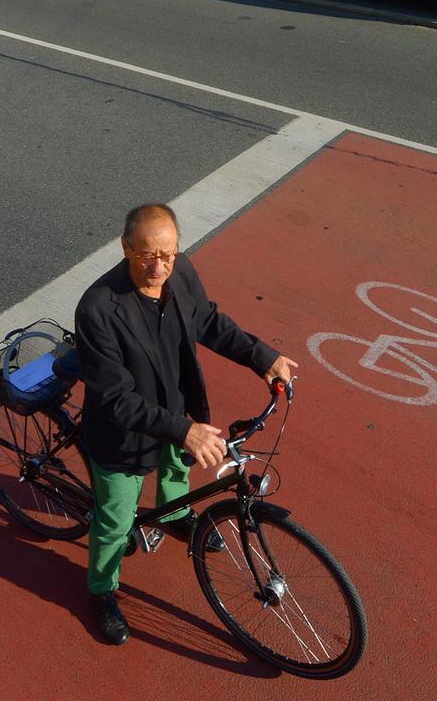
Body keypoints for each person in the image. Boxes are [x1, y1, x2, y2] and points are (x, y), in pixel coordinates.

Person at [74, 203, 298, 646]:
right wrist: (185, 431)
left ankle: (176, 516)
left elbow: (208, 321)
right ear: (125, 247)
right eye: (147, 255)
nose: (159, 266)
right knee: (114, 522)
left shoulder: (182, 272)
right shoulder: (97, 309)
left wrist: (262, 356)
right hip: (124, 434)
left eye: (169, 254)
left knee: (177, 471)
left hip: (177, 412)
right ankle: (102, 591)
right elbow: (117, 399)